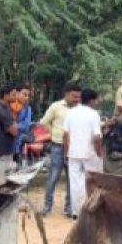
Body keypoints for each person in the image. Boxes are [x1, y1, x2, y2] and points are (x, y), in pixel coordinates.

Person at [38, 83, 81, 216]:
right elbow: (43, 122)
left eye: (79, 97)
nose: (77, 100)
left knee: (71, 178)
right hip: (57, 146)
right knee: (53, 176)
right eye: (74, 97)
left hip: (74, 147)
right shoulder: (56, 106)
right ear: (67, 94)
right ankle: (47, 207)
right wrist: (55, 133)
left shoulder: (80, 109)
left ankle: (69, 208)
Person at [62, 88, 103, 215]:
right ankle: (92, 210)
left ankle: (77, 212)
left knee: (75, 183)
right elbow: (96, 137)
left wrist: (66, 152)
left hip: (73, 153)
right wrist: (99, 153)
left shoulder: (70, 113)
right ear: (91, 100)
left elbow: (65, 135)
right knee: (94, 182)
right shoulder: (93, 114)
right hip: (90, 153)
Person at [0, 84, 19, 164]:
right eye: (13, 95)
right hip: (3, 150)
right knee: (4, 174)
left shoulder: (7, 108)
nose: (16, 97)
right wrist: (15, 124)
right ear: (6, 95)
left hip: (8, 148)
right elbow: (14, 131)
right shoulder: (0, 110)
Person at [13, 84, 34, 162]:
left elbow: (26, 125)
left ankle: (18, 158)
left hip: (20, 137)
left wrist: (15, 126)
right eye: (24, 94)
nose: (27, 97)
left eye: (28, 95)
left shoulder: (27, 109)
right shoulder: (9, 105)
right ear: (17, 93)